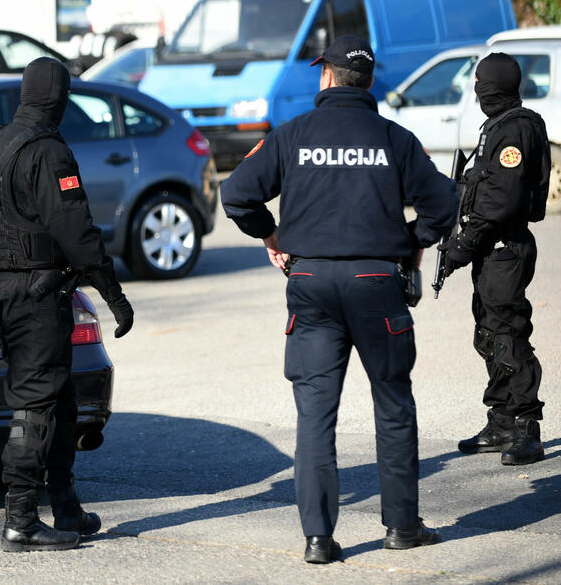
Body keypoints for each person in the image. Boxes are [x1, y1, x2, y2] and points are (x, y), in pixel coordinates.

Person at [220, 36, 458, 564]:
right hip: (378, 282)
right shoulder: (396, 139)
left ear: (325, 76)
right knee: (393, 406)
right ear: (368, 81)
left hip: (310, 286)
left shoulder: (290, 135)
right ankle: (401, 527)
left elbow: (236, 194)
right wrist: (415, 243)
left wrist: (271, 234)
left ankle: (318, 539)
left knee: (315, 416)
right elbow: (443, 204)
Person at [0, 56, 134, 552]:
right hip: (37, 295)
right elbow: (78, 233)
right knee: (36, 405)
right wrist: (115, 296)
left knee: (58, 401)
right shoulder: (47, 152)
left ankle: (65, 508)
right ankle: (20, 520)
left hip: (2, 289)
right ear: (60, 99)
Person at [440, 52, 550, 466]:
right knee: (488, 335)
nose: (477, 90)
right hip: (493, 248)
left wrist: (463, 244)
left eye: (481, 82)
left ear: (495, 85)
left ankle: (526, 425)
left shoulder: (517, 129)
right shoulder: (499, 126)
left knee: (508, 334)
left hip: (506, 247)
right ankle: (501, 419)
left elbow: (501, 200)